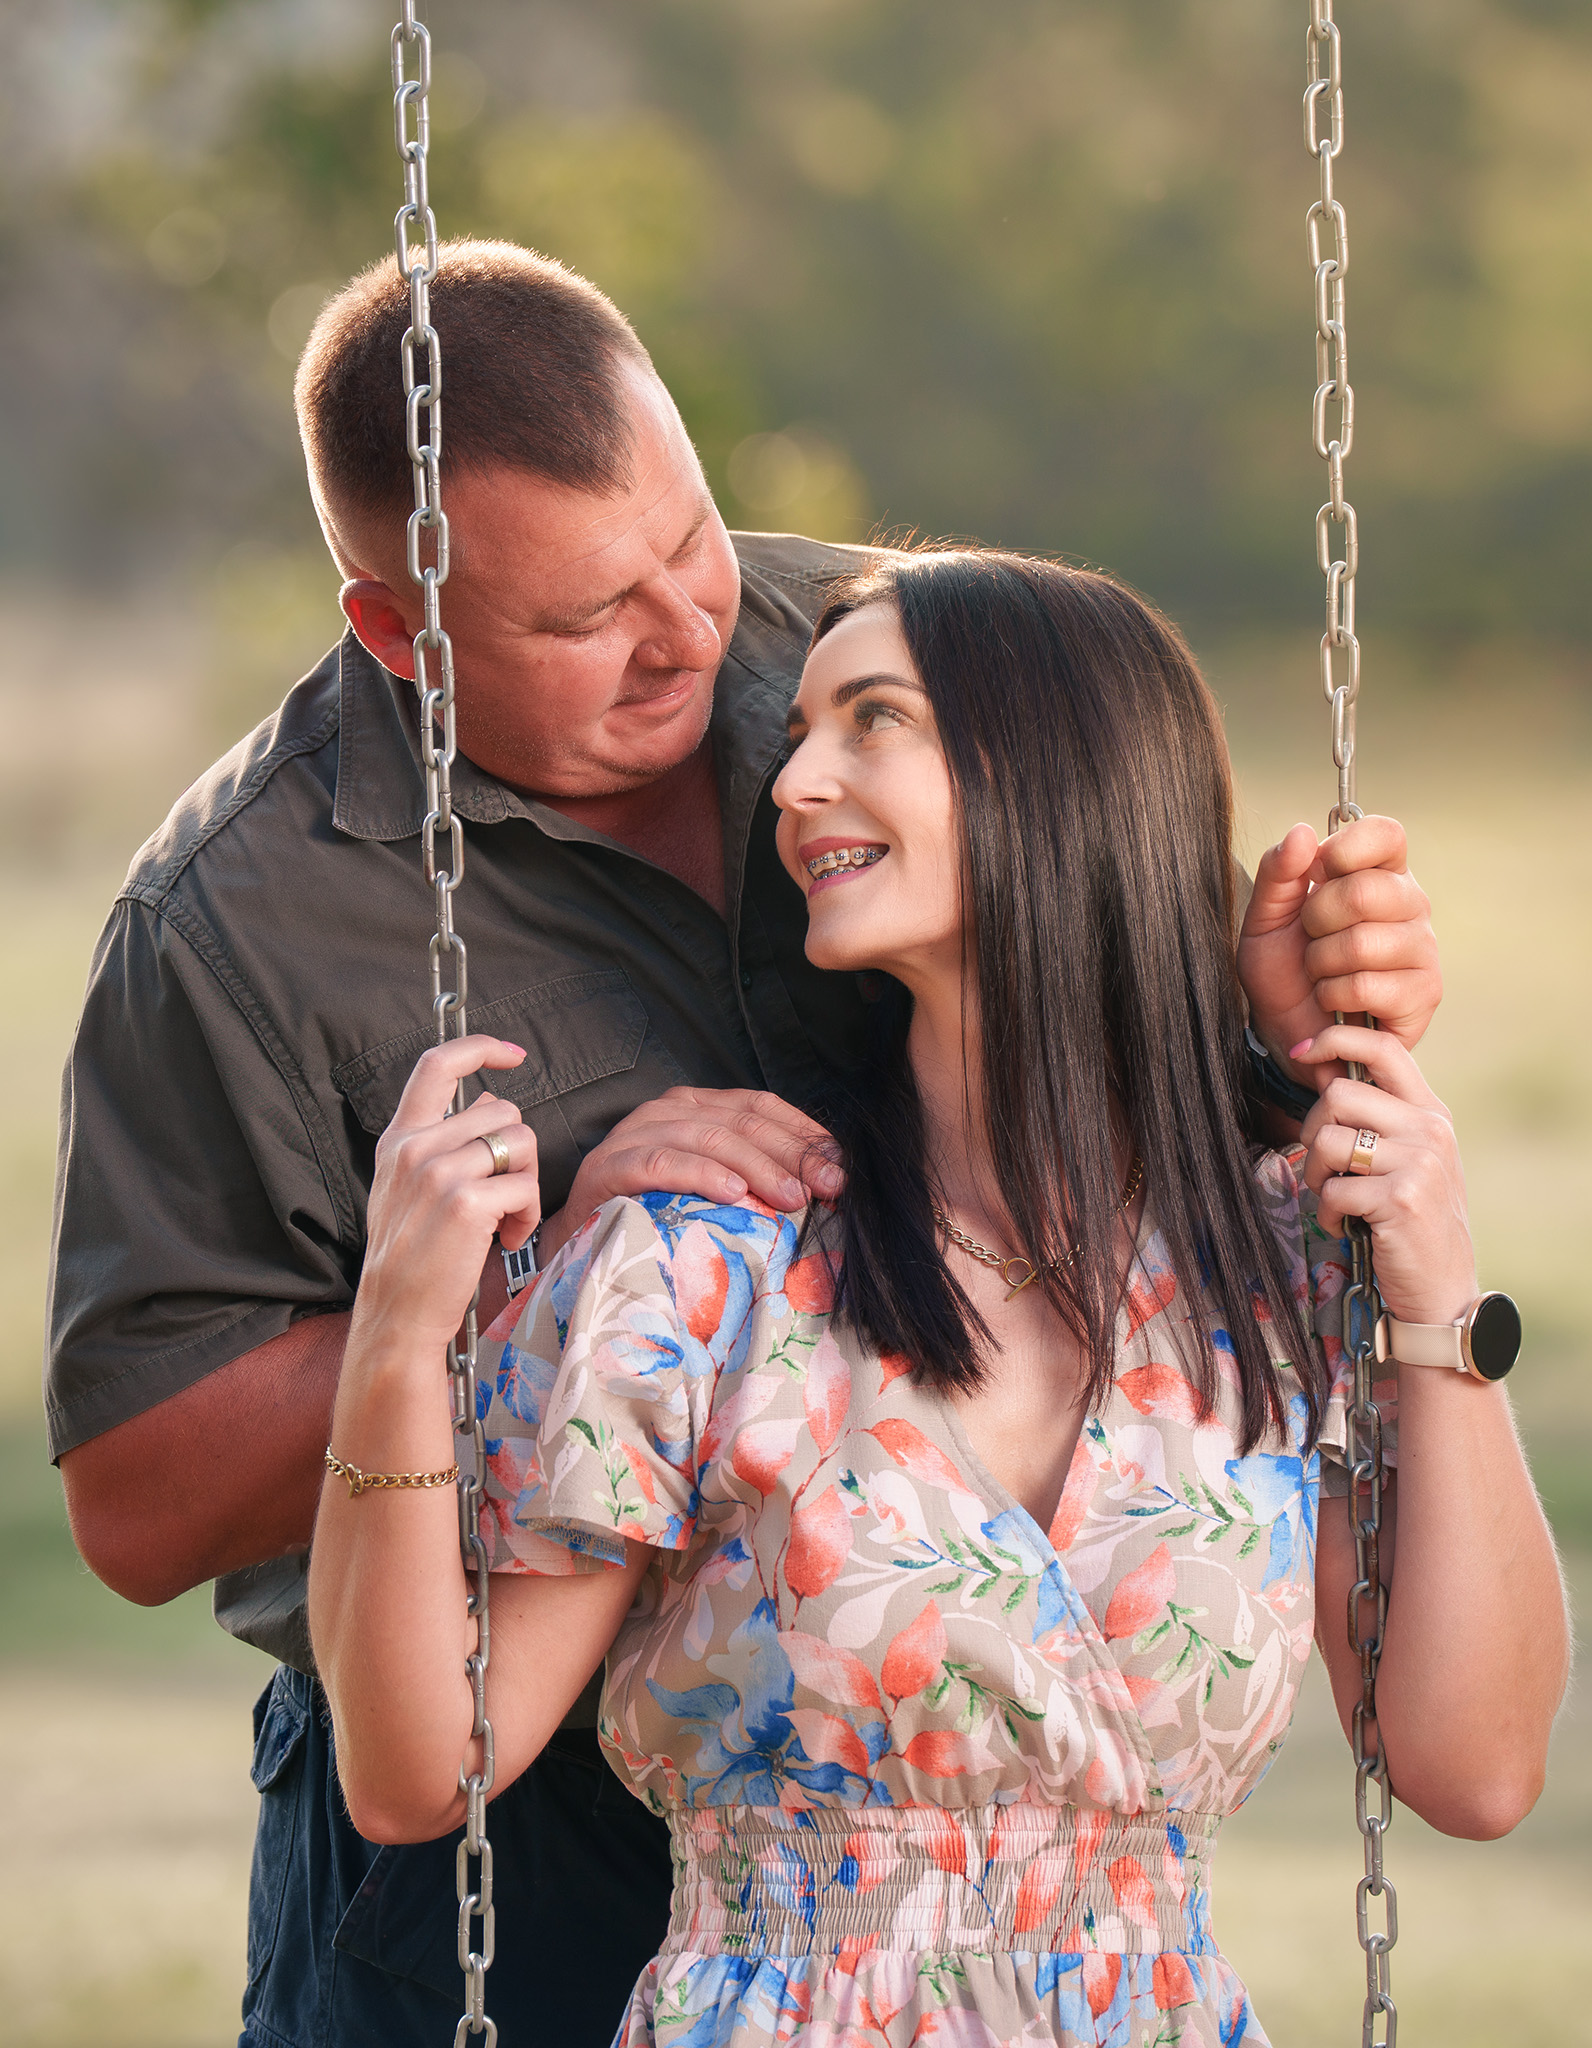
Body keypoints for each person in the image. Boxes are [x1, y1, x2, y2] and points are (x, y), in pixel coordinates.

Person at [48, 243, 1446, 2048]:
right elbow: (137, 1501)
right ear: (404, 633)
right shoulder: (238, 927)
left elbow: (1083, 983)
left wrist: (1258, 1024)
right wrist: (526, 1276)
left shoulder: (847, 652)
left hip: (916, 1716)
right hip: (498, 1780)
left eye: (689, 542)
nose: (692, 638)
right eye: (583, 621)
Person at [309, 546, 1568, 2047]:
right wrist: (397, 1338)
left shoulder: (1280, 1265)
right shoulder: (717, 1264)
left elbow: (1476, 1770)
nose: (791, 789)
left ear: (1059, 770)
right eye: (795, 741)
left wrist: (1441, 1311)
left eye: (872, 722)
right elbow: (416, 1772)